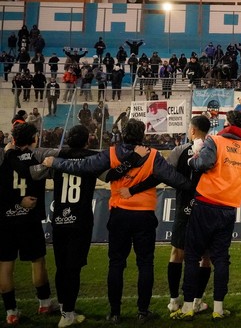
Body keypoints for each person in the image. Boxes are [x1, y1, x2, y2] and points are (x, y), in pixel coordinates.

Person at [43, 119, 192, 324]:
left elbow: (82, 166)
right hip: (144, 215)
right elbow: (176, 179)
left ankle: (114, 313)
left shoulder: (111, 153)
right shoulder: (153, 155)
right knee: (145, 263)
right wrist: (198, 187)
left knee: (116, 264)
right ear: (142, 135)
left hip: (119, 214)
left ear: (122, 133)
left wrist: (55, 162)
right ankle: (142, 311)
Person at [171, 110, 241, 321]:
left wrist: (195, 156)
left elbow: (201, 164)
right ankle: (218, 309)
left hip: (205, 204)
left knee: (193, 256)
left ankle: (187, 307)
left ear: (228, 123)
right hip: (228, 208)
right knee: (221, 258)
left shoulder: (216, 140)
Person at [38, 125, 98, 327]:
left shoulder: (57, 156)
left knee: (62, 266)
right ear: (87, 140)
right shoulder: (93, 157)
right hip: (80, 221)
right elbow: (111, 175)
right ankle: (68, 314)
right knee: (73, 268)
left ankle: (64, 306)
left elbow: (35, 172)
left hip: (59, 219)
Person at [0, 123, 59, 326]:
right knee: (37, 261)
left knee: (6, 265)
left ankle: (11, 312)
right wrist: (21, 201)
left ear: (13, 139)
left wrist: (14, 202)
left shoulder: (4, 157)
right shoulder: (38, 157)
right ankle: (44, 303)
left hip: (5, 219)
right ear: (33, 138)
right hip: (30, 218)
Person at [163, 116, 212, 315]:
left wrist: (184, 184)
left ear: (192, 130)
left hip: (184, 207)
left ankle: (174, 300)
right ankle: (198, 300)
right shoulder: (213, 150)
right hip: (206, 207)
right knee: (205, 257)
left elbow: (165, 174)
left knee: (177, 253)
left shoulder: (179, 151)